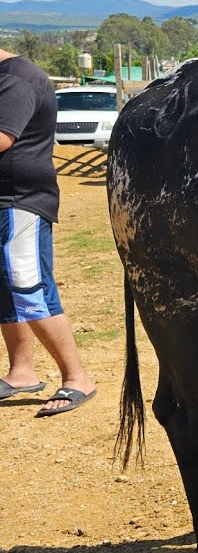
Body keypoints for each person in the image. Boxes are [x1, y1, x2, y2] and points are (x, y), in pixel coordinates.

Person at [0, 48, 96, 416]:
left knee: (28, 287)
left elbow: (2, 137)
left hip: (18, 199)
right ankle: (21, 371)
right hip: (6, 198)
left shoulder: (16, 79)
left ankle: (77, 378)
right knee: (7, 288)